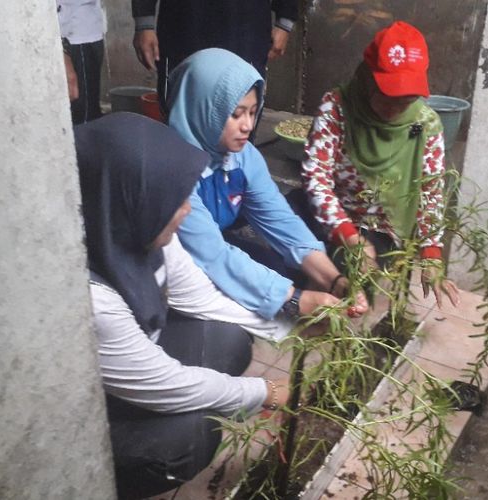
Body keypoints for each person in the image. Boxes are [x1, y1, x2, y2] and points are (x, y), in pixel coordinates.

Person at [75, 112, 291, 498]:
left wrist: (291, 328)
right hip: (90, 415)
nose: (187, 211)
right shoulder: (92, 297)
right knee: (189, 438)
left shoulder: (143, 230)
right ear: (132, 196)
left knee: (230, 340)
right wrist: (265, 393)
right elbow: (167, 385)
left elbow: (202, 299)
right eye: (174, 200)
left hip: (134, 365)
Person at [166, 48, 368, 326]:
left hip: (211, 247)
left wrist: (334, 280)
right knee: (228, 333)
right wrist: (295, 299)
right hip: (173, 266)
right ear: (203, 108)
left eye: (252, 111)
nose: (248, 125)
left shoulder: (242, 156)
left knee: (277, 271)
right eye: (235, 115)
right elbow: (210, 253)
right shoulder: (172, 168)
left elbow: (279, 220)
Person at [300, 21, 461, 309]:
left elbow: (430, 194)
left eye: (406, 100)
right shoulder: (337, 108)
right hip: (338, 218)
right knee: (307, 260)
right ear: (367, 80)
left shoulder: (424, 124)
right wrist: (349, 237)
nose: (396, 109)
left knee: (359, 286)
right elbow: (317, 179)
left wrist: (432, 253)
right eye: (387, 98)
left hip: (384, 226)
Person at [131, 0, 296, 108]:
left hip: (246, 24)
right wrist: (144, 23)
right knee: (181, 112)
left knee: (240, 112)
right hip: (184, 24)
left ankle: (238, 162)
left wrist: (285, 19)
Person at [57, 0, 105, 124]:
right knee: (82, 117)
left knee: (88, 112)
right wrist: (61, 50)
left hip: (87, 29)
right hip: (73, 35)